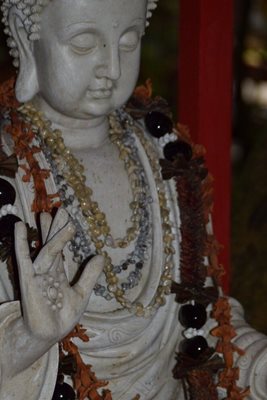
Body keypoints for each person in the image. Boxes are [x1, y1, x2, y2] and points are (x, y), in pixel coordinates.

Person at [0, 1, 266, 399]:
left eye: (127, 41)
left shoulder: (164, 155)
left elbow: (206, 324)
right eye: (85, 43)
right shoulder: (10, 172)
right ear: (26, 38)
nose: (111, 68)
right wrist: (28, 338)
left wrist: (260, 365)